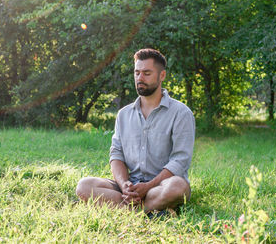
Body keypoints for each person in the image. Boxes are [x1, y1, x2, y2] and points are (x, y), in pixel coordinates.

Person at [76, 48, 195, 214]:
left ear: (162, 76)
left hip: (161, 185)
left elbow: (180, 160)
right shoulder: (124, 114)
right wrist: (125, 185)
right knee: (84, 186)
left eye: (146, 73)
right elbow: (116, 154)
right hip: (131, 185)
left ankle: (127, 208)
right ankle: (148, 208)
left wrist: (148, 187)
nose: (140, 78)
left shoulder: (181, 113)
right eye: (137, 72)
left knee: (179, 187)